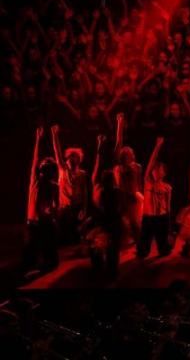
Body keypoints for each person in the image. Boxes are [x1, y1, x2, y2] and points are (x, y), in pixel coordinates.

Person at [86, 134, 123, 277]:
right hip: (112, 222)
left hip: (101, 222)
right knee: (112, 248)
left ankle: (98, 269)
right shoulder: (115, 190)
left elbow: (97, 165)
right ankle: (111, 271)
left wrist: (99, 145)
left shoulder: (98, 187)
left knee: (97, 246)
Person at [23, 127, 59, 274]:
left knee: (47, 248)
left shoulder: (53, 186)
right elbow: (35, 159)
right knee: (31, 247)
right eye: (43, 167)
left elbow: (56, 204)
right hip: (33, 220)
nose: (43, 170)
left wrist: (52, 211)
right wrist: (38, 139)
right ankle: (31, 265)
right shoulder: (35, 181)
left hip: (44, 220)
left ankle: (48, 264)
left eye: (47, 168)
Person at [50, 125, 89, 244]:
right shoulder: (63, 169)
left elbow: (85, 193)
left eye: (75, 157)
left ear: (79, 159)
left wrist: (84, 208)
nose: (72, 159)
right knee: (63, 233)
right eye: (71, 157)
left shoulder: (82, 174)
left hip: (76, 207)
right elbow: (57, 152)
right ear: (67, 158)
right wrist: (54, 135)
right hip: (64, 207)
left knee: (76, 234)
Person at [136, 136, 171, 259]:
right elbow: (150, 164)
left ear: (164, 172)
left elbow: (168, 205)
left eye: (158, 169)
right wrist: (157, 146)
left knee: (164, 250)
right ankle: (143, 250)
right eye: (154, 169)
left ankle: (166, 246)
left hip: (162, 217)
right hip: (149, 217)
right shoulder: (148, 182)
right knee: (142, 252)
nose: (154, 170)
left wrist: (168, 219)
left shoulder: (167, 187)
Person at [113, 113, 143, 246]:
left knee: (134, 221)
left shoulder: (136, 167)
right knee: (122, 220)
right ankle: (129, 241)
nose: (128, 153)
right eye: (126, 153)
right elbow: (118, 144)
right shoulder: (119, 167)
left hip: (132, 196)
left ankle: (140, 244)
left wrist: (140, 194)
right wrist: (120, 125)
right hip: (121, 196)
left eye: (130, 152)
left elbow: (139, 182)